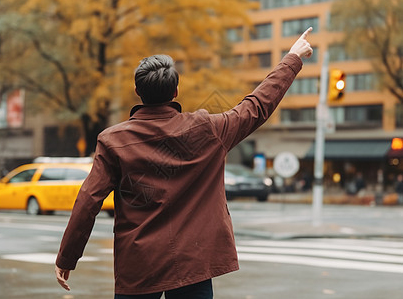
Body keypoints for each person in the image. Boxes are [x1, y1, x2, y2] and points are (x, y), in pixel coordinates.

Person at [55, 27, 314, 298]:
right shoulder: (208, 129)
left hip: (139, 265)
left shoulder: (112, 141)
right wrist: (292, 58)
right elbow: (257, 106)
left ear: (137, 91)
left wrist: (67, 258)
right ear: (176, 91)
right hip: (194, 261)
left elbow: (88, 202)